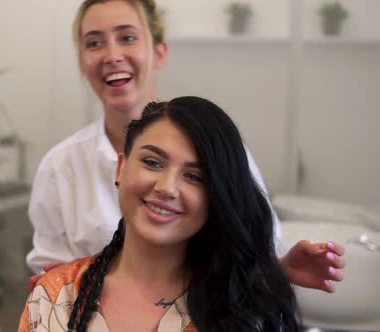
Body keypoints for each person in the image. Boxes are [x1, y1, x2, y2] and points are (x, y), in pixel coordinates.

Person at [26, 0, 344, 293]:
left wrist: (278, 268)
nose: (111, 55)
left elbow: (257, 252)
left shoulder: (218, 148)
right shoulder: (60, 166)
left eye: (127, 38)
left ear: (159, 52)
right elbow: (53, 281)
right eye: (94, 43)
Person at [19, 97, 300, 332]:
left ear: (216, 197)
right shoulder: (56, 298)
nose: (166, 188)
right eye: (152, 162)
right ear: (120, 169)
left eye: (193, 177)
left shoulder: (249, 311)